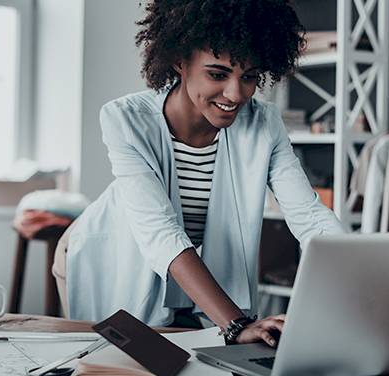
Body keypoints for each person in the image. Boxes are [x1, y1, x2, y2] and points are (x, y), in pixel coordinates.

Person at [52, 0, 345, 346]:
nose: (236, 94)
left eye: (249, 77)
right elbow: (161, 232)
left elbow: (309, 216)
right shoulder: (125, 119)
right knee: (120, 371)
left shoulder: (263, 123)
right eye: (217, 74)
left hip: (187, 263)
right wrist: (235, 324)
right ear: (180, 61)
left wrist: (357, 281)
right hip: (107, 254)